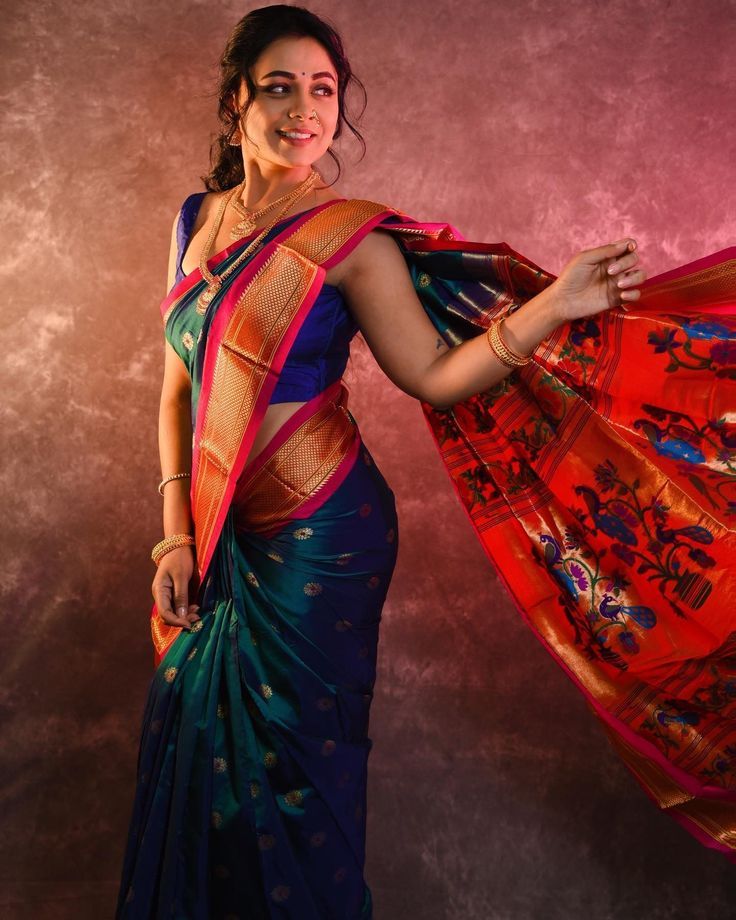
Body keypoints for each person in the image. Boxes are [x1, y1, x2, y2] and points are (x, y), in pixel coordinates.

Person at [116, 4, 736, 917]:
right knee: (205, 760)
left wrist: (556, 303)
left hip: (322, 539)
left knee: (297, 772)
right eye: (279, 87)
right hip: (219, 539)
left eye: (322, 90)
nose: (303, 109)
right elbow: (176, 391)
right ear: (235, 104)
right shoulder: (194, 222)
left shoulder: (349, 240)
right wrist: (175, 538)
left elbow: (439, 377)